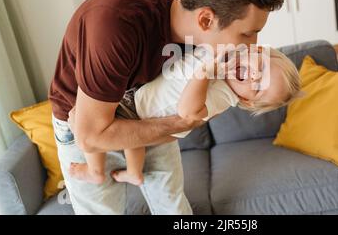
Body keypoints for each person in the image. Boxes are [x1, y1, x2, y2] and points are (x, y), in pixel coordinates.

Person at [49, 0, 284, 215]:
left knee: (173, 208)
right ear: (206, 19)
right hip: (84, 120)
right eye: (248, 33)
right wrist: (181, 123)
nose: (252, 45)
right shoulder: (114, 27)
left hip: (142, 109)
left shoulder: (200, 24)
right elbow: (90, 138)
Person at [67, 47, 301, 190]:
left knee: (81, 118)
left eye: (258, 87)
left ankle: (95, 170)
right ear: (255, 51)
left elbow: (188, 112)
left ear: (248, 101)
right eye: (260, 67)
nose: (253, 76)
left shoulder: (225, 95)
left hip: (141, 110)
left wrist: (205, 73)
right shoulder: (225, 54)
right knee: (132, 139)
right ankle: (134, 173)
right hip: (142, 106)